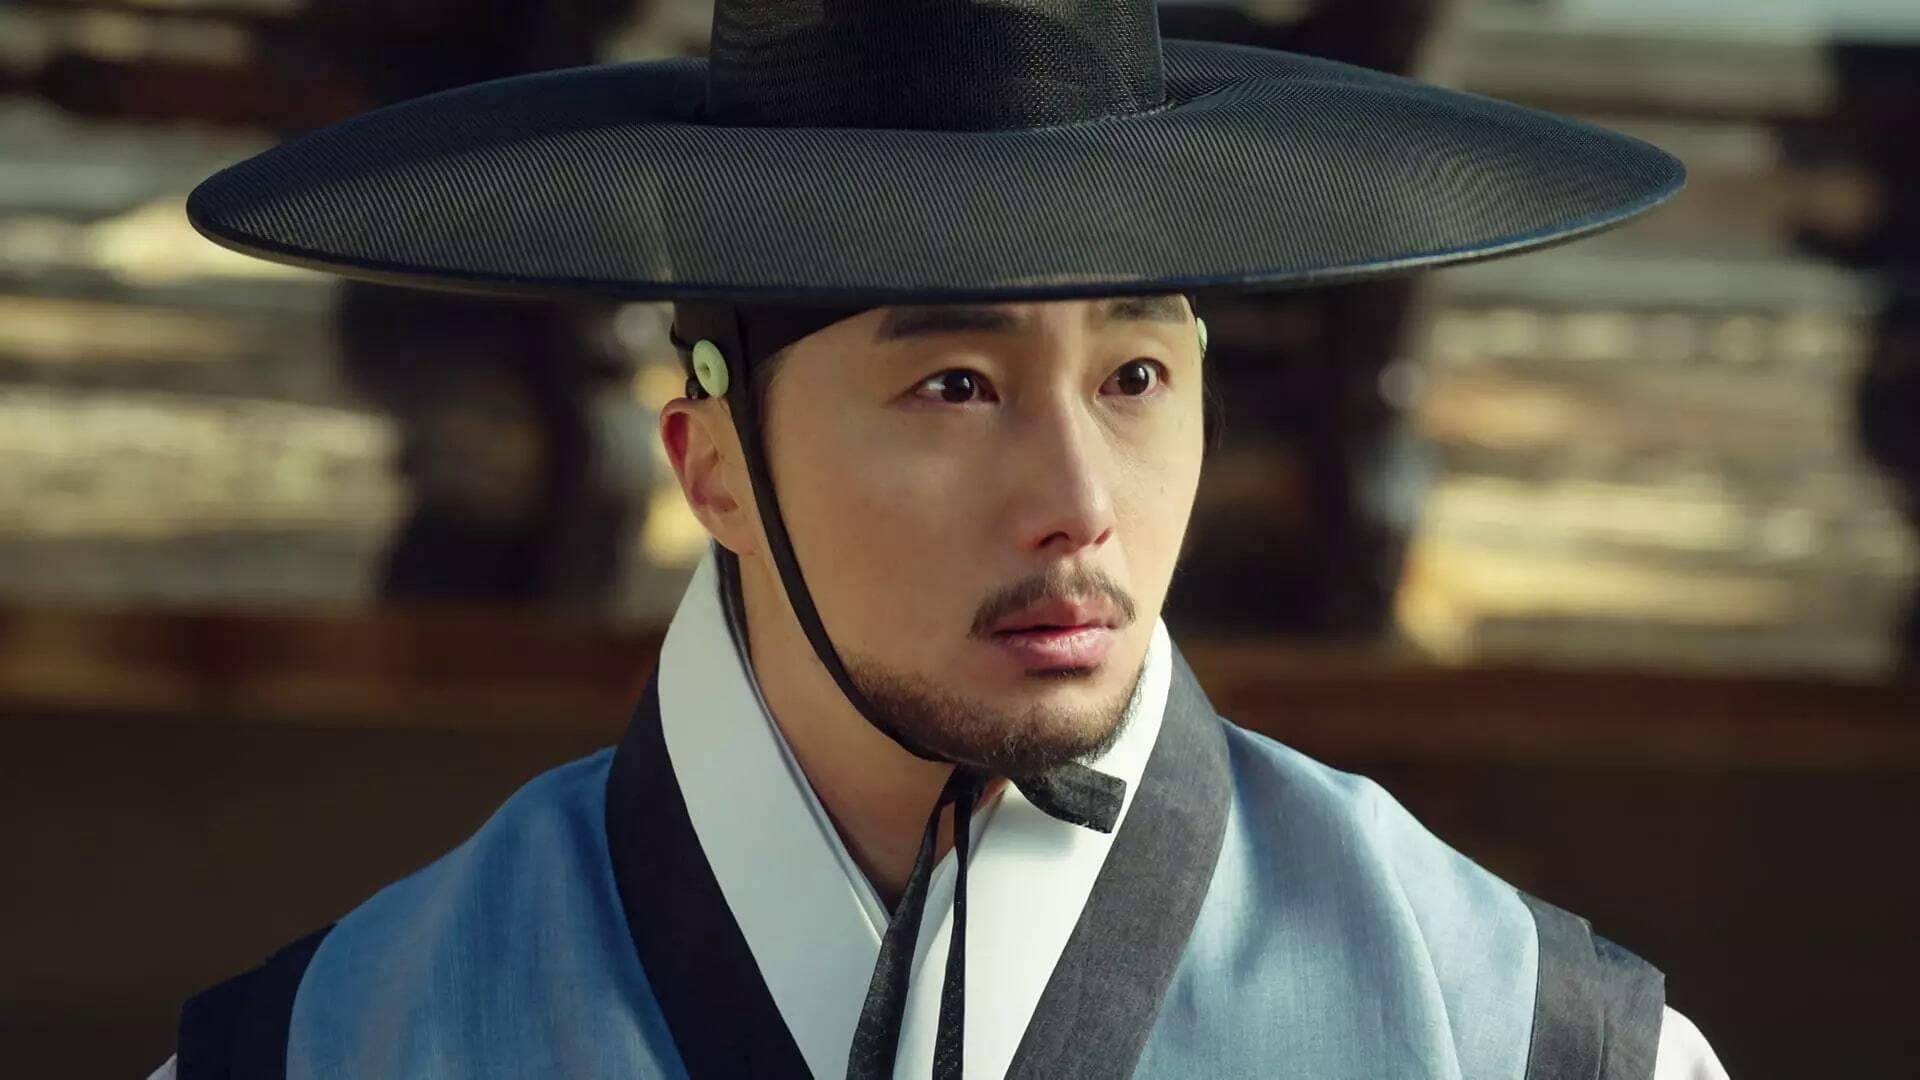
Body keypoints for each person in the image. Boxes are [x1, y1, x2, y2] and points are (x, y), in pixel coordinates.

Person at [157, 1, 1728, 1076]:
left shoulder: (1521, 1036)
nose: (1079, 500)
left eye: (1134, 377)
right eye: (955, 385)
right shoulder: (342, 1045)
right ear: (713, 465)